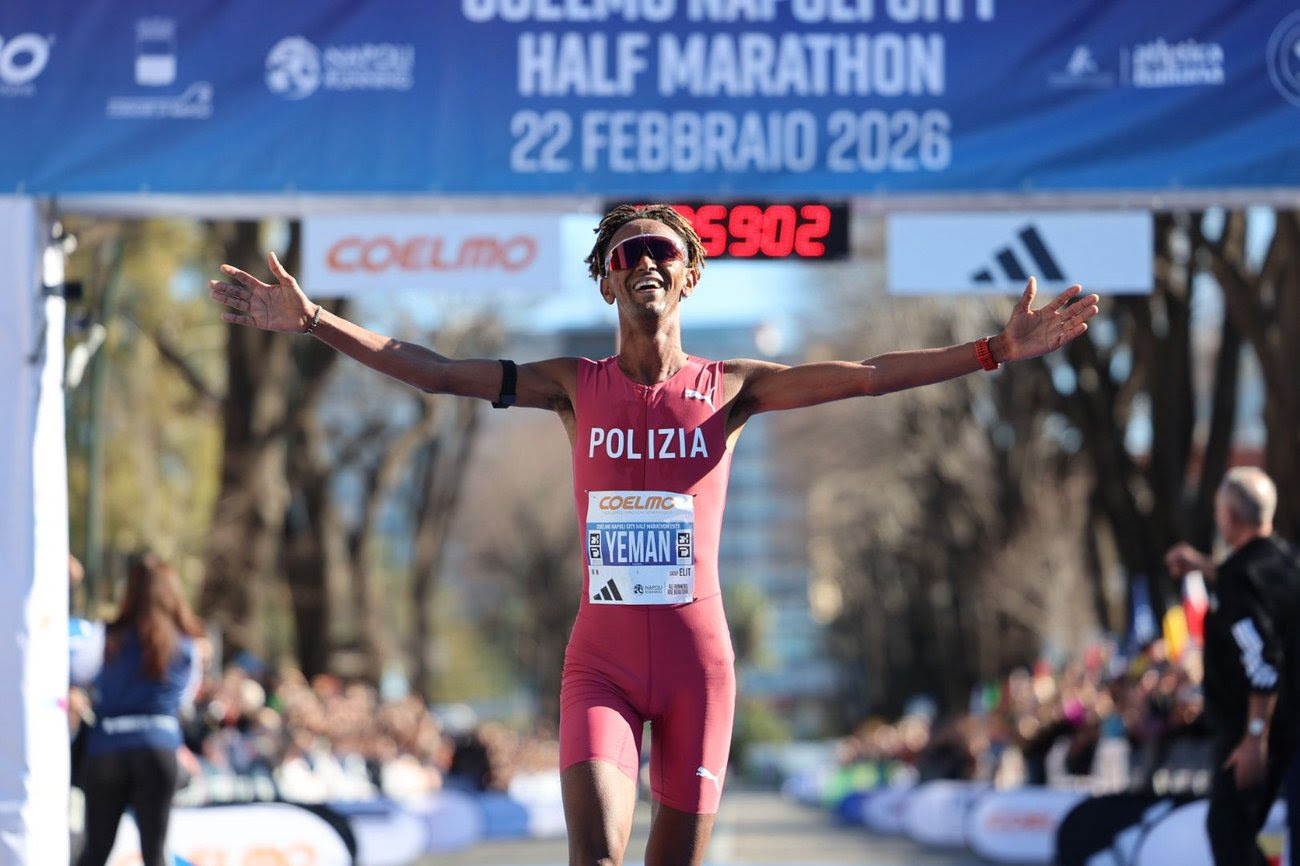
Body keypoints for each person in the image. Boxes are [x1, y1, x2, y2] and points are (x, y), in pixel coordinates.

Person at [210, 203, 1098, 866]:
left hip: (696, 668)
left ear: (690, 275)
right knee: (595, 860)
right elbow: (438, 372)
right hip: (598, 663)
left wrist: (991, 351)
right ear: (605, 280)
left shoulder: (734, 386)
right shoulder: (570, 383)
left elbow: (867, 375)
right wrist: (315, 320)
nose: (644, 262)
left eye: (662, 251)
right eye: (625, 253)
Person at [1166, 467, 1300, 866]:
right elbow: (1253, 580)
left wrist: (1255, 738)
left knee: (1228, 831)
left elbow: (1263, 662)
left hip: (1256, 732)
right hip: (1288, 728)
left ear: (1230, 516)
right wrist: (1203, 566)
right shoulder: (1287, 562)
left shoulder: (1237, 584)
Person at [76, 552, 204, 866]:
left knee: (95, 852)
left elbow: (78, 672)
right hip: (158, 748)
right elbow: (185, 699)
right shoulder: (188, 644)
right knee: (155, 854)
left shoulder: (106, 635)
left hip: (108, 747)